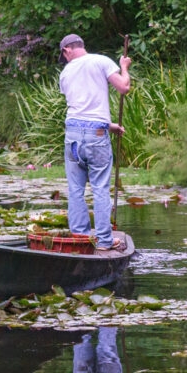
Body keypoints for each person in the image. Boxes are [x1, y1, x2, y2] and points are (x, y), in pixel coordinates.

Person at [58, 33, 131, 251]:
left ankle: (81, 240)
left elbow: (80, 108)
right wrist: (124, 66)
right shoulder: (101, 61)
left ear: (67, 50)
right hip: (97, 136)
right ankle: (104, 241)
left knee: (75, 189)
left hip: (72, 134)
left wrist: (110, 126)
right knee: (99, 188)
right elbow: (123, 87)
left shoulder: (65, 72)